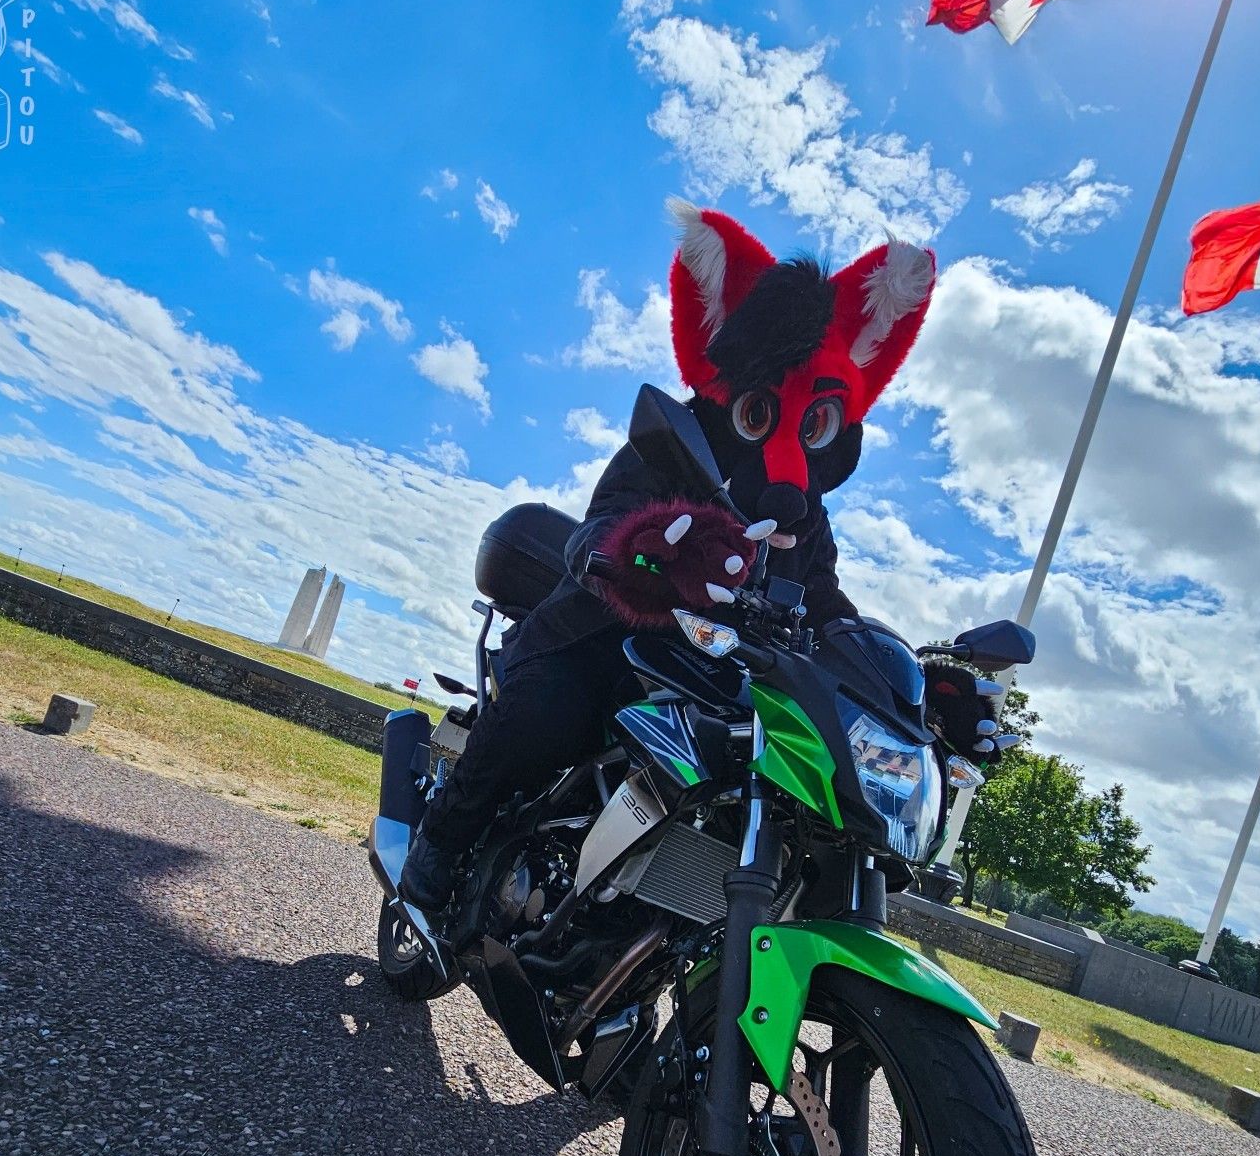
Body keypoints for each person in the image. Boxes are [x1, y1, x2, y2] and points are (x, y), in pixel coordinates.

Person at [400, 199, 998, 913]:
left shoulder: (807, 523)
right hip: (606, 646)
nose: (784, 458)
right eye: (761, 417)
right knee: (545, 716)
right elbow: (602, 526)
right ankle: (438, 846)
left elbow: (829, 610)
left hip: (721, 690)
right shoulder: (668, 450)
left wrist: (916, 697)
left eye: (813, 423)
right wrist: (646, 552)